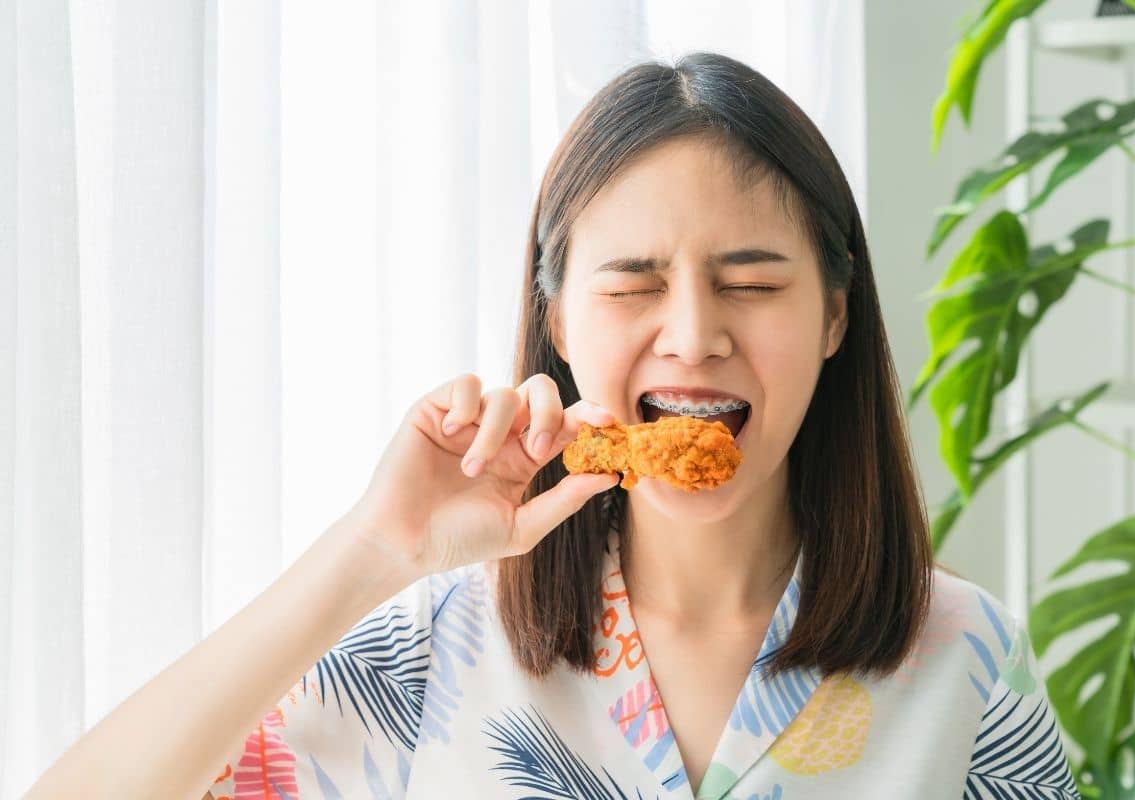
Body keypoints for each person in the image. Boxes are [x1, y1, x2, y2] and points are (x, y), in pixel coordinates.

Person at [27, 52, 1080, 800]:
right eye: (634, 284)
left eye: (751, 281)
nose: (694, 334)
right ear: (559, 321)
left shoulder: (964, 657)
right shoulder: (432, 651)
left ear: (837, 314)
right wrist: (371, 550)